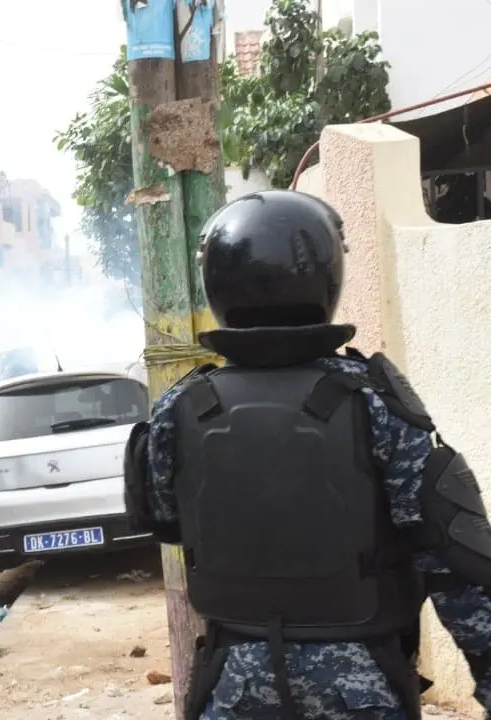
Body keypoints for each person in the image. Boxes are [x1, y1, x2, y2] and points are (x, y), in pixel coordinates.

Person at [123, 190, 491, 720]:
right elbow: (458, 563)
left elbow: (163, 520)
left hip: (233, 689)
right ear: (328, 275)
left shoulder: (179, 409)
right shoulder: (374, 401)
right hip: (358, 688)